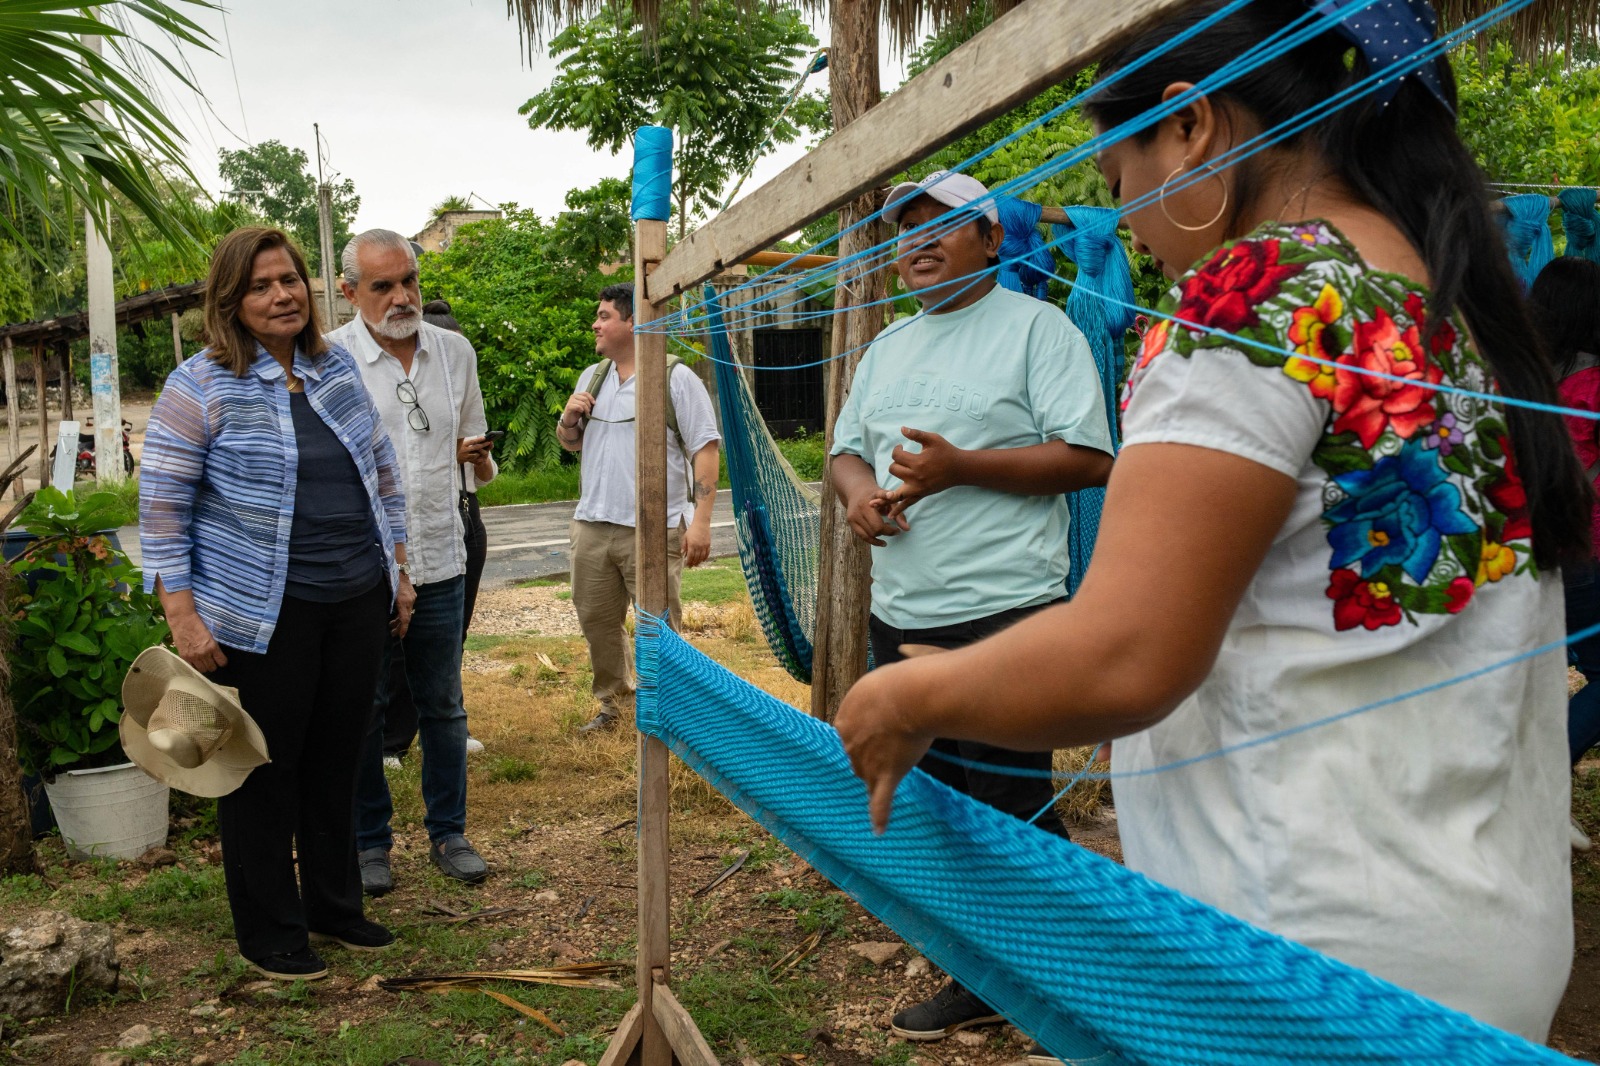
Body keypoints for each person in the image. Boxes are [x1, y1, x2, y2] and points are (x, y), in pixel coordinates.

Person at [836, 0, 1589, 1044]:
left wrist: (907, 695)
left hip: (1302, 956)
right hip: (1482, 935)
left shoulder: (1253, 298)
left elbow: (1127, 654)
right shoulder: (1452, 309)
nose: (1130, 224)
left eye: (1117, 178)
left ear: (1188, 125)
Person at [829, 170, 1114, 1044]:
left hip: (1005, 611)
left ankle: (1062, 974)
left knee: (1011, 803)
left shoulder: (1039, 329)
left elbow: (1089, 458)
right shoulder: (886, 348)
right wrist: (858, 495)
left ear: (992, 239)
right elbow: (845, 450)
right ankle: (986, 970)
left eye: (939, 226)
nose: (916, 242)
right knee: (941, 802)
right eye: (904, 230)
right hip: (905, 609)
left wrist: (964, 467)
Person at [140, 226, 411, 981]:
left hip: (355, 598)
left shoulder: (335, 370)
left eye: (289, 280)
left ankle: (335, 907)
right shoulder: (198, 385)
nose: (281, 295)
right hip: (261, 615)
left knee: (340, 758)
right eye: (260, 286)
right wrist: (182, 618)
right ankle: (269, 929)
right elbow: (160, 509)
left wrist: (399, 572)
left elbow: (381, 474)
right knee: (263, 770)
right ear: (230, 300)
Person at [330, 230, 497, 894]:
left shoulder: (453, 352)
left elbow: (476, 455)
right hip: (363, 568)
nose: (403, 298)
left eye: (410, 282)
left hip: (441, 554)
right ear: (349, 293)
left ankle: (449, 832)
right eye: (383, 286)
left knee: (444, 706)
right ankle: (371, 842)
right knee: (363, 707)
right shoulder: (329, 359)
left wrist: (479, 456)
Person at [558, 282, 721, 733]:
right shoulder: (592, 376)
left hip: (653, 528)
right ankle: (615, 707)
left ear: (633, 322)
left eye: (605, 315)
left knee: (660, 628)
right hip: (592, 525)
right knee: (597, 623)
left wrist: (702, 523)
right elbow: (571, 445)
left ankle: (671, 711)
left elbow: (706, 450)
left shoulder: (673, 377)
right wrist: (569, 420)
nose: (596, 323)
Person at [381, 298, 490, 765]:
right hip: (394, 533)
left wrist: (476, 456)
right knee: (393, 646)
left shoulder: (455, 364)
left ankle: (443, 726)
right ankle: (392, 739)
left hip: (459, 521)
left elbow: (483, 471)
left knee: (448, 638)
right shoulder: (365, 373)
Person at [1529, 255, 1600, 850]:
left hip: (1520, 544)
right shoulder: (1593, 381)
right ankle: (1542, 787)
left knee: (1535, 672)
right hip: (1582, 547)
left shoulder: (1518, 368)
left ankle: (1535, 790)